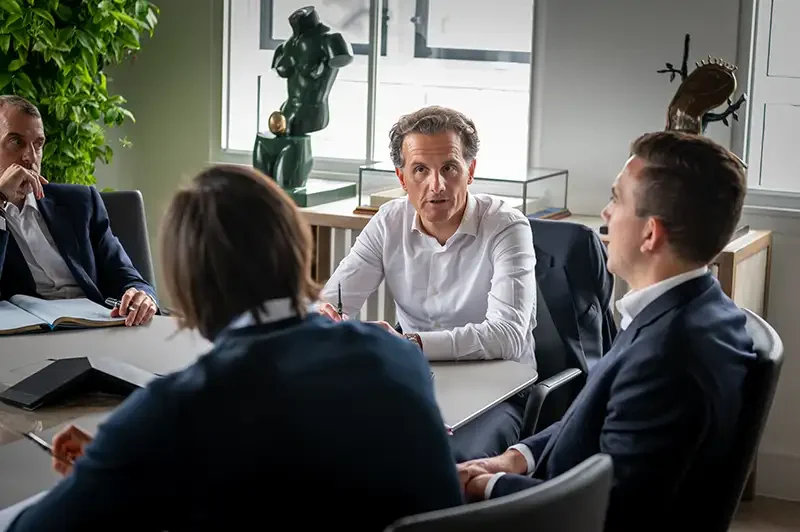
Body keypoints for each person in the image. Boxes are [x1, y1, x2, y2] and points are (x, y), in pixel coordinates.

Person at [1, 165, 463, 531]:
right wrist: (132, 458)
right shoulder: (398, 355)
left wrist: (121, 460)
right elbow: (308, 474)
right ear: (299, 247)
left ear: (189, 285)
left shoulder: (176, 408)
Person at [457, 131, 756, 531]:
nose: (605, 213)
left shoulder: (668, 357)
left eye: (617, 199)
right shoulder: (694, 310)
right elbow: (591, 417)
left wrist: (489, 488)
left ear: (650, 234)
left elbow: (610, 512)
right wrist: (517, 458)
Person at [318, 105, 538, 459]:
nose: (436, 185)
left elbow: (509, 336)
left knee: (453, 465)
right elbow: (331, 300)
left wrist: (412, 343)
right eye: (420, 170)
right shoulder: (389, 220)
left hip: (498, 388)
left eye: (449, 168)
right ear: (402, 178)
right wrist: (325, 319)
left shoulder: (506, 226)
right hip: (414, 381)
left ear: (471, 171)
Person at [0, 95, 156, 326]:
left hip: (95, 327)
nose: (31, 157)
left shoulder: (80, 202)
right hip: (22, 340)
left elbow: (126, 275)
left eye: (38, 144)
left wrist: (142, 295)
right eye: (16, 142)